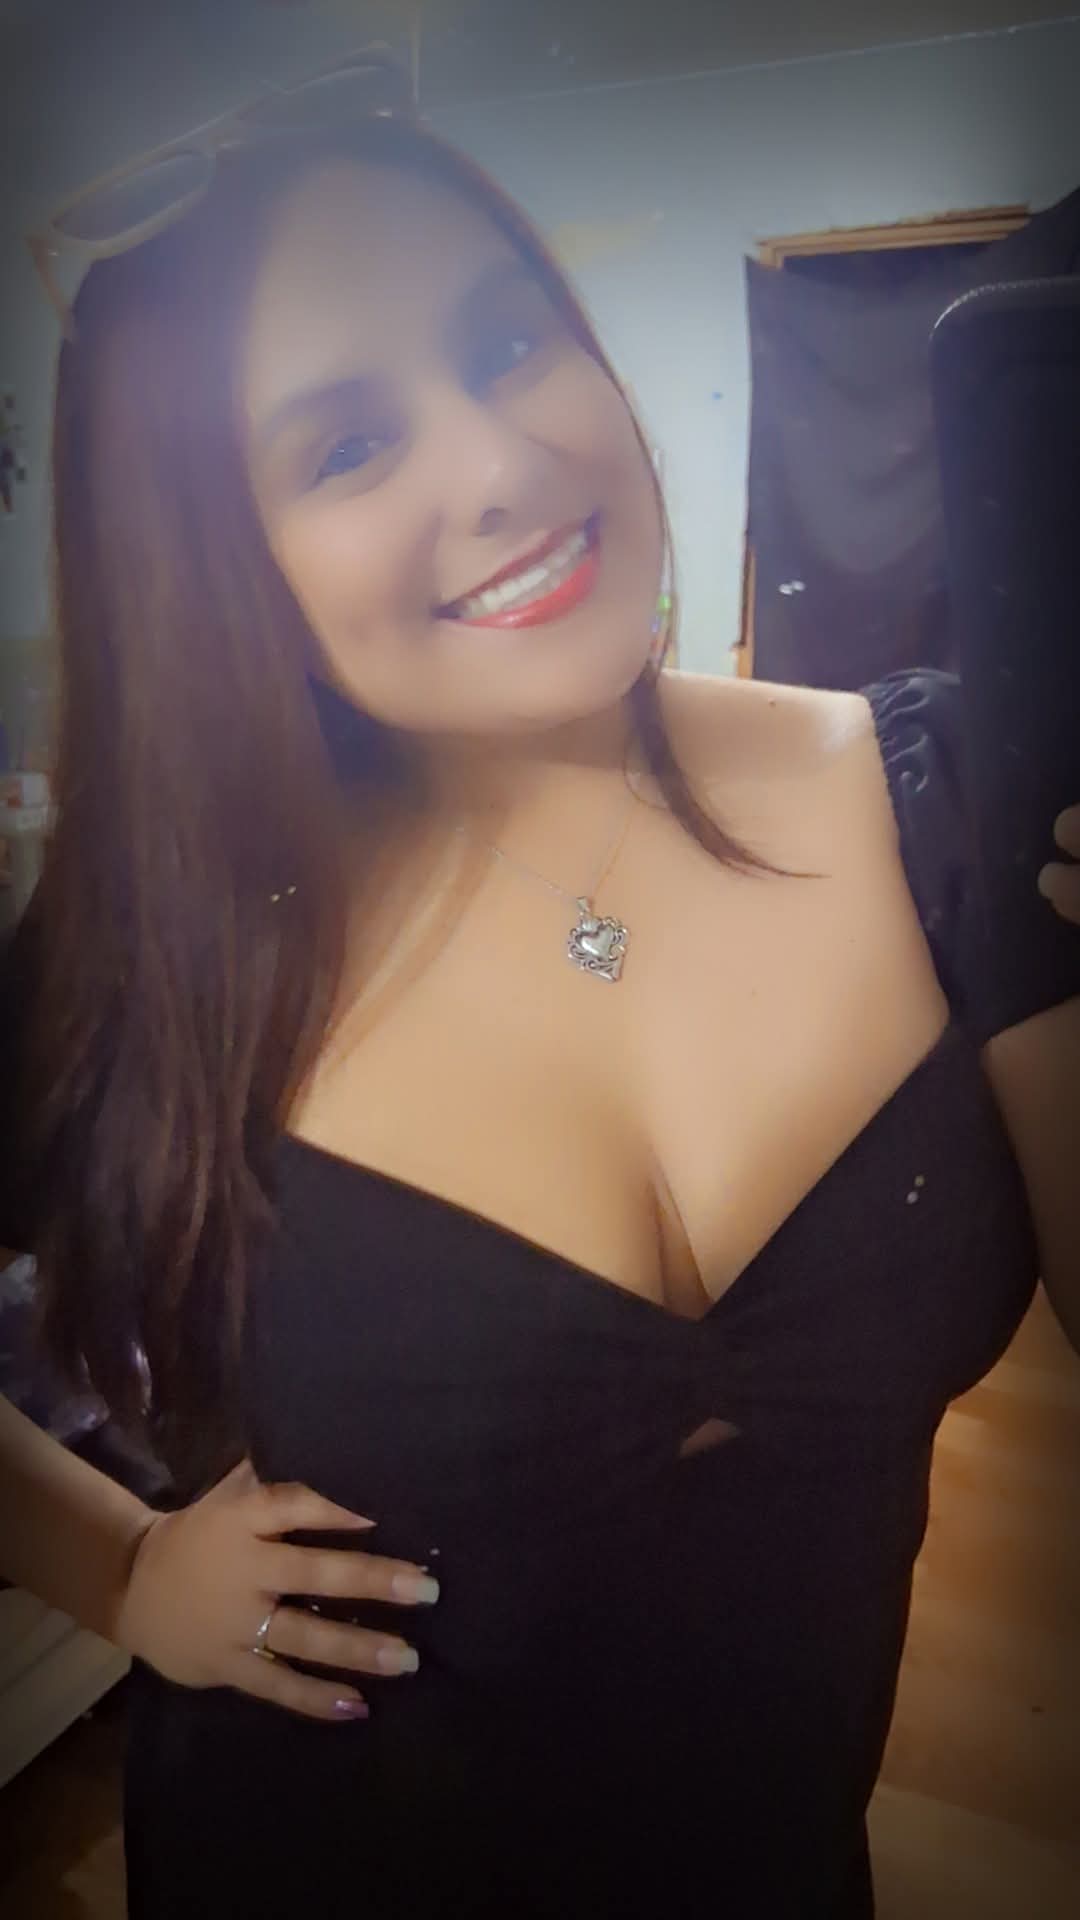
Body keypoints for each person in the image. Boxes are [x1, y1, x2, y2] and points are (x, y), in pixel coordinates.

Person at [2, 47, 1079, 1920]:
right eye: (346, 446)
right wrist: (118, 1569)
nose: (504, 466)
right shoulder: (170, 934)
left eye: (508, 343)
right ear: (218, 564)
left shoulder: (950, 800)